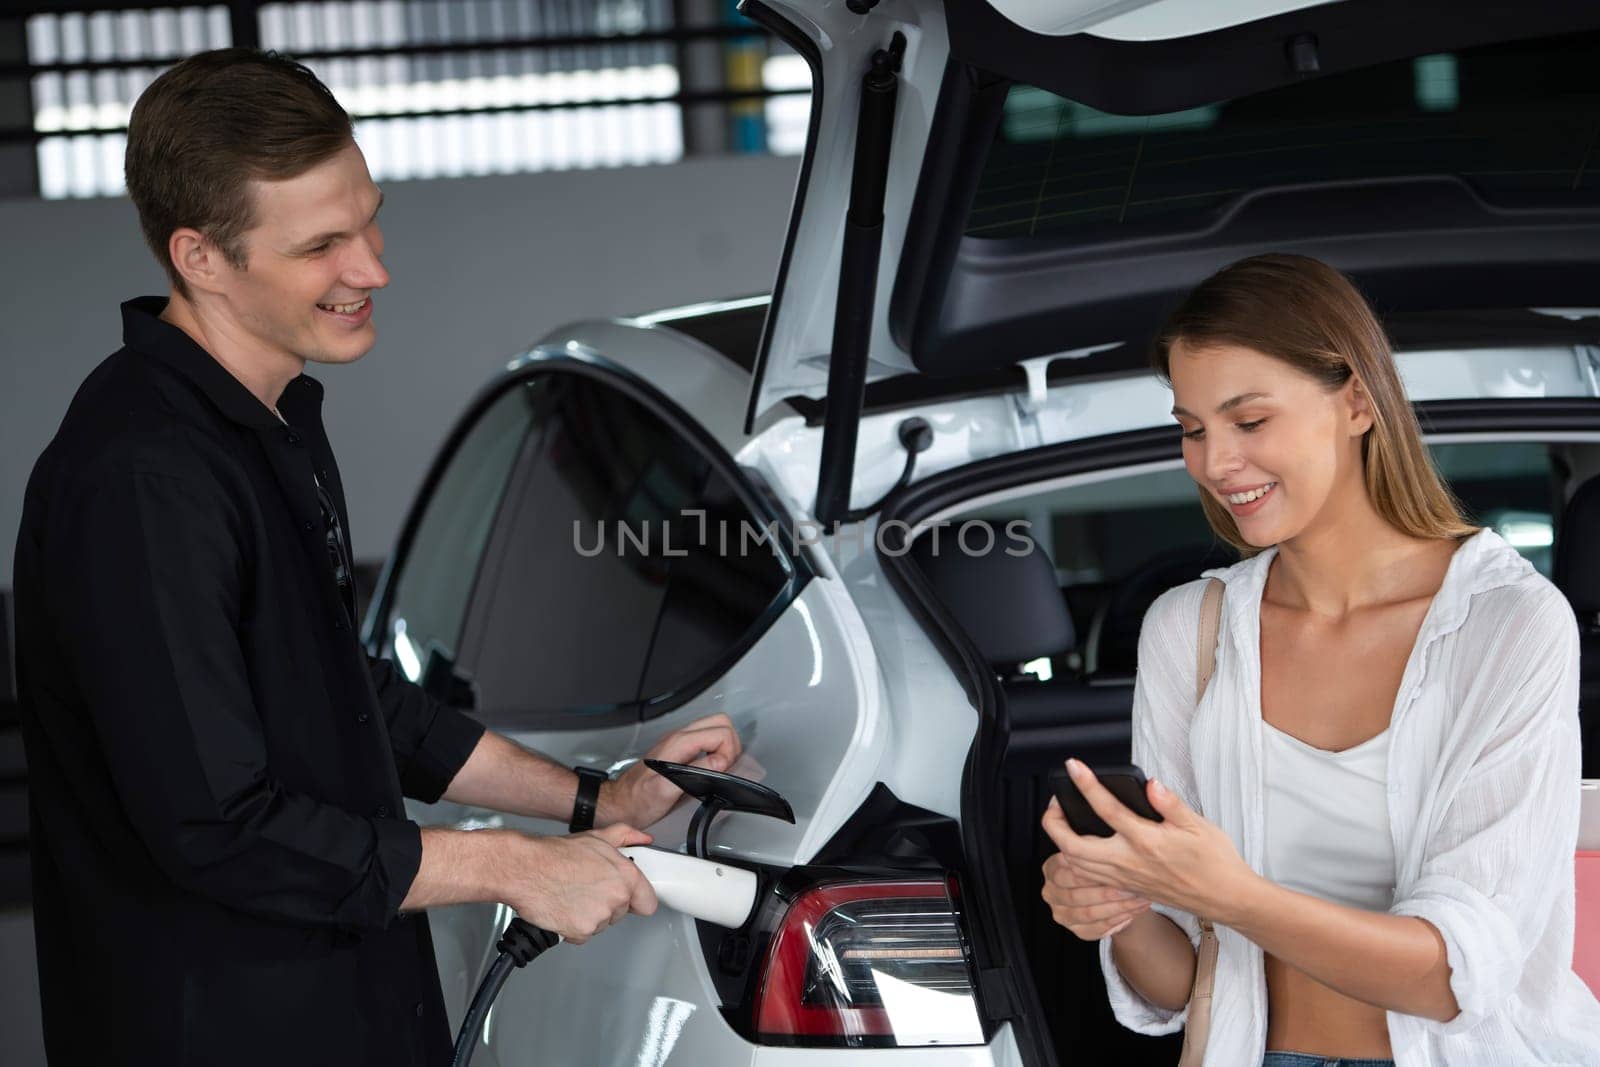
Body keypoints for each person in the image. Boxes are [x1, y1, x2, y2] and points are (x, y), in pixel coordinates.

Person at [12, 48, 741, 1066]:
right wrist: (515, 868)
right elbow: (217, 824)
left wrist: (597, 798)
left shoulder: (270, 422)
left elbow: (353, 701)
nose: (373, 268)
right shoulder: (144, 482)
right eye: (323, 245)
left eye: (368, 219)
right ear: (201, 257)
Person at [1038, 254, 1600, 1065]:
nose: (1214, 462)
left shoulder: (1510, 623)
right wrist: (1120, 910)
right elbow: (1186, 981)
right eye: (1192, 429)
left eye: (1249, 420)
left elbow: (1455, 974)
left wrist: (1229, 894)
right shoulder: (1187, 632)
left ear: (1359, 402)